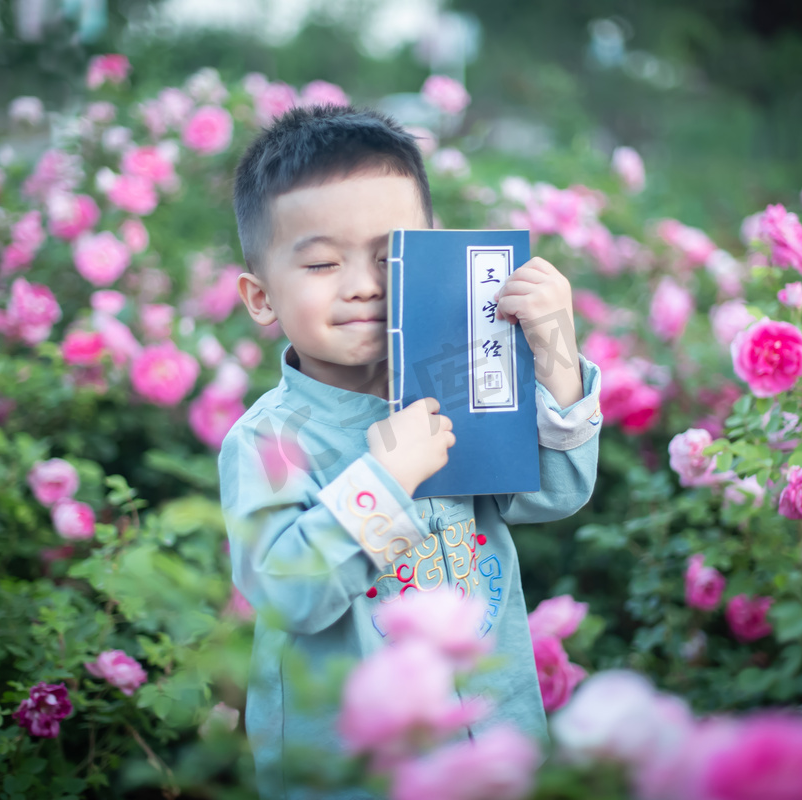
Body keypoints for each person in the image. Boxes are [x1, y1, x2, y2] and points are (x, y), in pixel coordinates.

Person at [219, 103, 603, 799]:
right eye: (323, 262)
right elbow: (286, 591)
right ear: (261, 296)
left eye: (388, 255)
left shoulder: (458, 376)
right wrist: (386, 479)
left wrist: (557, 360)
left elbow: (553, 492)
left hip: (493, 736)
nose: (364, 283)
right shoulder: (271, 439)